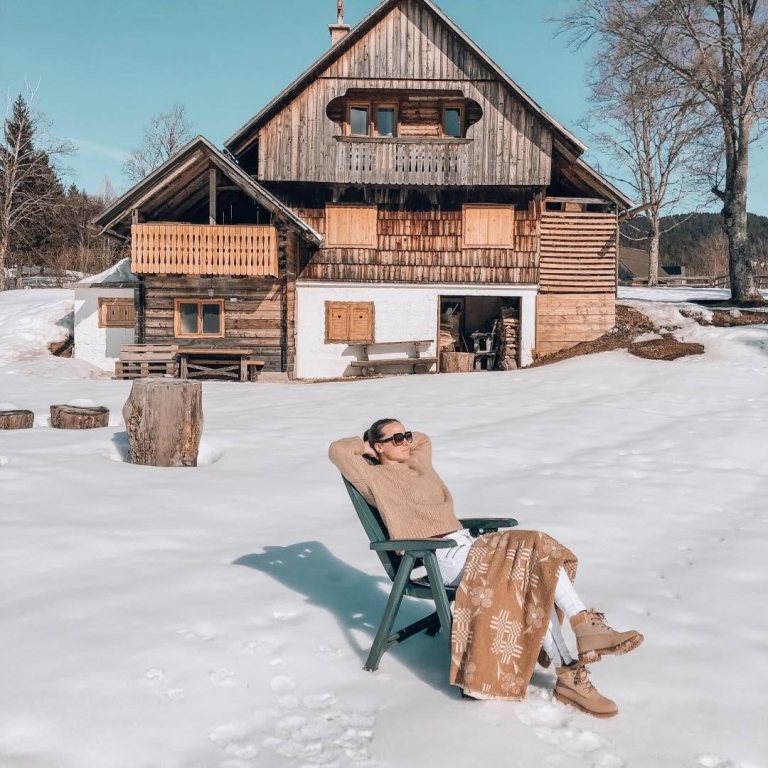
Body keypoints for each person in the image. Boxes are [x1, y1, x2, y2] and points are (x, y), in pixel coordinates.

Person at [329, 418, 644, 718]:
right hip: (439, 555)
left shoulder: (418, 463)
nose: (407, 442)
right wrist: (369, 448)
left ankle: (579, 636)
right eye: (396, 438)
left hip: (468, 544)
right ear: (379, 446)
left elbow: (424, 439)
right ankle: (576, 654)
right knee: (532, 561)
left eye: (405, 435)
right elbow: (339, 450)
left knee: (538, 552)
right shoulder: (373, 478)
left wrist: (398, 442)